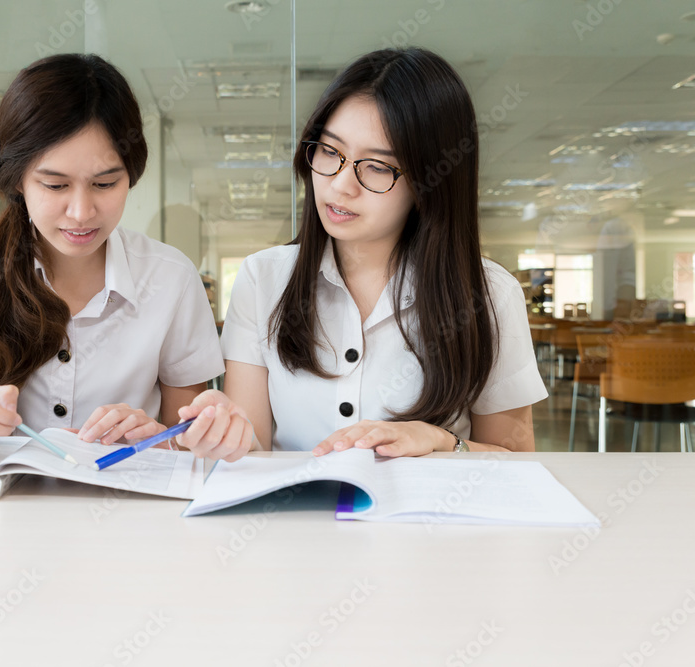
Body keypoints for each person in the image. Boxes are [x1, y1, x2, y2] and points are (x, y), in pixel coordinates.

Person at [175, 47, 547, 461]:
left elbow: (515, 457)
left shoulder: (490, 293)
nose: (341, 185)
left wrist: (443, 441)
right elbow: (254, 448)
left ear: (431, 183)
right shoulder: (263, 278)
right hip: (295, 520)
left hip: (427, 521)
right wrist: (225, 433)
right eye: (331, 152)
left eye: (377, 166)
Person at [0, 54, 223, 467]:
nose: (81, 212)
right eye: (55, 185)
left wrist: (161, 437)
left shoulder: (170, 278)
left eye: (105, 183)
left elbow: (190, 440)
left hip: (119, 516)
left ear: (132, 174)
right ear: (17, 178)